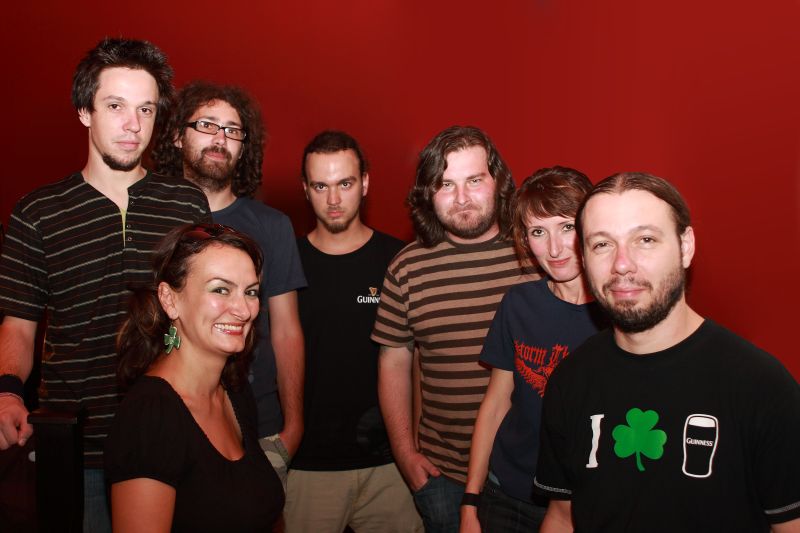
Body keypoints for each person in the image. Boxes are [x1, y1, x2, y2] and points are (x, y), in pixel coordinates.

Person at [0, 38, 209, 531]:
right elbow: (19, 324)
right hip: (76, 447)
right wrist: (7, 392)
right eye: (115, 106)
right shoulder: (37, 213)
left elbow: (200, 318)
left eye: (145, 109)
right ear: (84, 112)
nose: (133, 124)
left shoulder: (187, 205)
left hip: (172, 437)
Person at [534, 173, 800, 532]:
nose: (622, 264)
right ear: (584, 258)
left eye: (645, 239)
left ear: (685, 247)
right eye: (602, 244)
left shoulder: (761, 387)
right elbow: (562, 516)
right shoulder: (570, 379)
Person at [372, 125, 538, 532]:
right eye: (445, 184)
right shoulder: (406, 267)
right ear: (428, 194)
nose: (462, 198)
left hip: (528, 477)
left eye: (474, 180)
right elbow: (393, 362)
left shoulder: (536, 258)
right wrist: (405, 454)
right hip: (443, 476)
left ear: (498, 182)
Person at [153, 81, 306, 485]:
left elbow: (287, 331)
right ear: (176, 136)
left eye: (233, 130)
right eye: (207, 125)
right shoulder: (151, 222)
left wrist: (292, 429)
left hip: (260, 427)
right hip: (169, 423)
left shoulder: (273, 226)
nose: (220, 138)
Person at [283, 130, 422, 532]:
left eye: (344, 184)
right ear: (305, 189)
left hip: (391, 467)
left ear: (364, 183)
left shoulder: (399, 261)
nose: (333, 199)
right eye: (320, 186)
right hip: (308, 466)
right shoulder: (285, 263)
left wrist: (413, 448)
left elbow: (422, 361)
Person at [106, 223, 284, 532]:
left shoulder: (234, 393)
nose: (243, 310)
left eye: (251, 292)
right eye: (220, 289)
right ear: (169, 299)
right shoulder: (150, 417)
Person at [461, 167, 606, 532]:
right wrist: (470, 500)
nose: (554, 249)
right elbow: (496, 403)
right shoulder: (518, 303)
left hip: (585, 502)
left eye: (566, 227)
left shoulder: (618, 314)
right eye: (538, 232)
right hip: (506, 492)